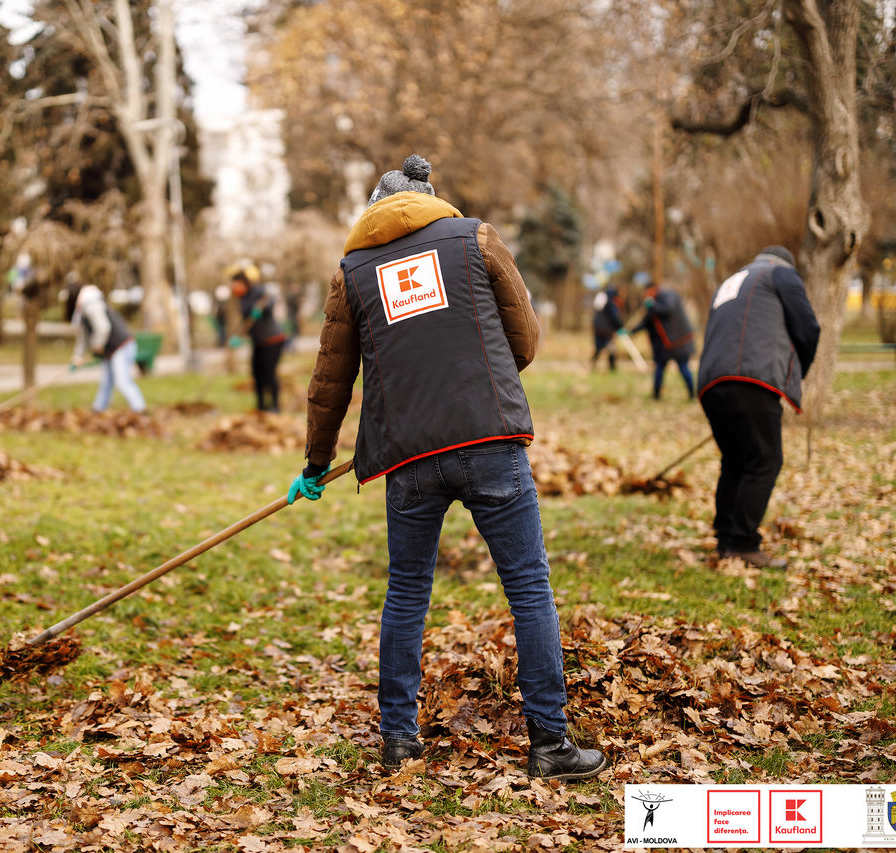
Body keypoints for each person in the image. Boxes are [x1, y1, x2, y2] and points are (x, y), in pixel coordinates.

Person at [288, 154, 608, 780]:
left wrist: (316, 461)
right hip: (490, 441)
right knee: (528, 587)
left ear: (374, 210)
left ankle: (399, 743)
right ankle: (550, 744)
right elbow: (525, 340)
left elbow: (331, 379)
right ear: (430, 199)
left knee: (407, 593)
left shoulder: (352, 273)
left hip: (408, 460)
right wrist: (479, 383)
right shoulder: (475, 239)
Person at [697, 246, 820, 569]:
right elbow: (809, 327)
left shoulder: (731, 280)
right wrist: (797, 374)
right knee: (765, 459)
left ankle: (725, 538)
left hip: (711, 382)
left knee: (736, 460)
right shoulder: (780, 273)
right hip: (752, 379)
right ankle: (743, 543)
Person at [66, 280, 146, 414]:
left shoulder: (91, 305)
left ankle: (140, 409)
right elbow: (84, 336)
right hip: (113, 349)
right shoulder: (85, 307)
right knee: (106, 382)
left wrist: (97, 345)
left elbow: (103, 328)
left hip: (121, 346)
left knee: (123, 381)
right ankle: (98, 409)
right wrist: (77, 356)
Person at [230, 268, 288, 412]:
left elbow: (269, 302)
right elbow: (246, 321)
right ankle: (261, 406)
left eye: (236, 284)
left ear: (244, 283)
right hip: (259, 341)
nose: (234, 288)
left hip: (272, 340)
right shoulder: (243, 298)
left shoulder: (260, 291)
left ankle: (275, 406)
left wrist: (261, 309)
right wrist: (238, 336)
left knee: (269, 373)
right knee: (256, 373)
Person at [629, 281, 696, 400]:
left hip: (679, 341)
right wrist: (631, 331)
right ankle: (656, 394)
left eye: (648, 292)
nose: (647, 295)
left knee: (683, 367)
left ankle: (692, 393)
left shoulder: (669, 296)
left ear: (654, 289)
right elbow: (646, 322)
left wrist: (652, 304)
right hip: (663, 345)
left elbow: (667, 310)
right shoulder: (652, 304)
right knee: (659, 368)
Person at [590, 281, 624, 371]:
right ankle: (612, 368)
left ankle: (593, 364)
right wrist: (620, 326)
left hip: (598, 328)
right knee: (611, 348)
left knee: (598, 347)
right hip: (607, 330)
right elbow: (614, 317)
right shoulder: (611, 303)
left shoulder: (602, 301)